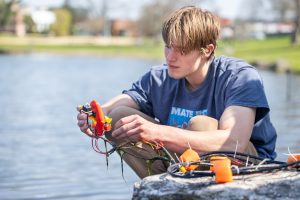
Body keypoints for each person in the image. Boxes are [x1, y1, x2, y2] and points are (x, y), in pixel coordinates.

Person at [77, 6, 277, 179]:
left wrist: (158, 132)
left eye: (182, 50)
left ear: (207, 50)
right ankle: (167, 187)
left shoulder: (239, 77)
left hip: (244, 164)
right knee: (119, 117)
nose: (171, 57)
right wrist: (98, 113)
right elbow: (129, 99)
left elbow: (234, 142)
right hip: (185, 160)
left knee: (201, 124)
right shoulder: (159, 77)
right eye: (168, 46)